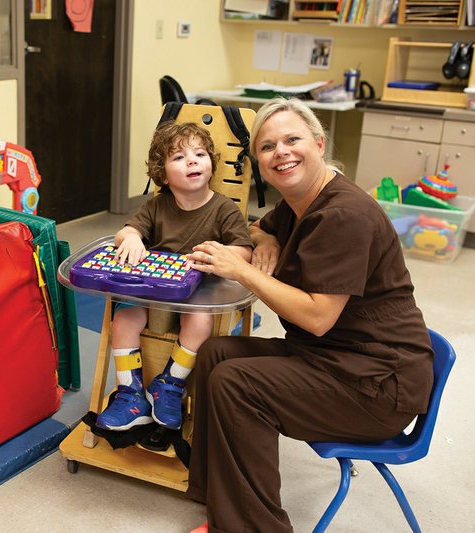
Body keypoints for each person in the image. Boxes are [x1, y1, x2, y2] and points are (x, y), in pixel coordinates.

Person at [184, 98, 434, 533]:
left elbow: (318, 317)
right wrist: (268, 242)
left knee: (236, 384)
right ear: (259, 163)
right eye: (267, 146)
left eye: (292, 140)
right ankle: (221, 501)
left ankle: (254, 528)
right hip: (332, 358)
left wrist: (241, 268)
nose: (281, 152)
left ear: (319, 144)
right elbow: (260, 226)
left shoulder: (343, 214)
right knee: (216, 355)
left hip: (377, 382)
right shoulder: (302, 198)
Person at [95, 121, 253, 433]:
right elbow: (126, 231)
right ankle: (130, 394)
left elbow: (245, 253)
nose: (192, 160)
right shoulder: (157, 206)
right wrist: (130, 239)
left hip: (199, 293)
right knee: (123, 319)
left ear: (210, 164)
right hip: (153, 292)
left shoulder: (225, 210)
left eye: (199, 154)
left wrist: (218, 256)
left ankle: (169, 384)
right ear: (164, 175)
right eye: (179, 157)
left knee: (200, 322)